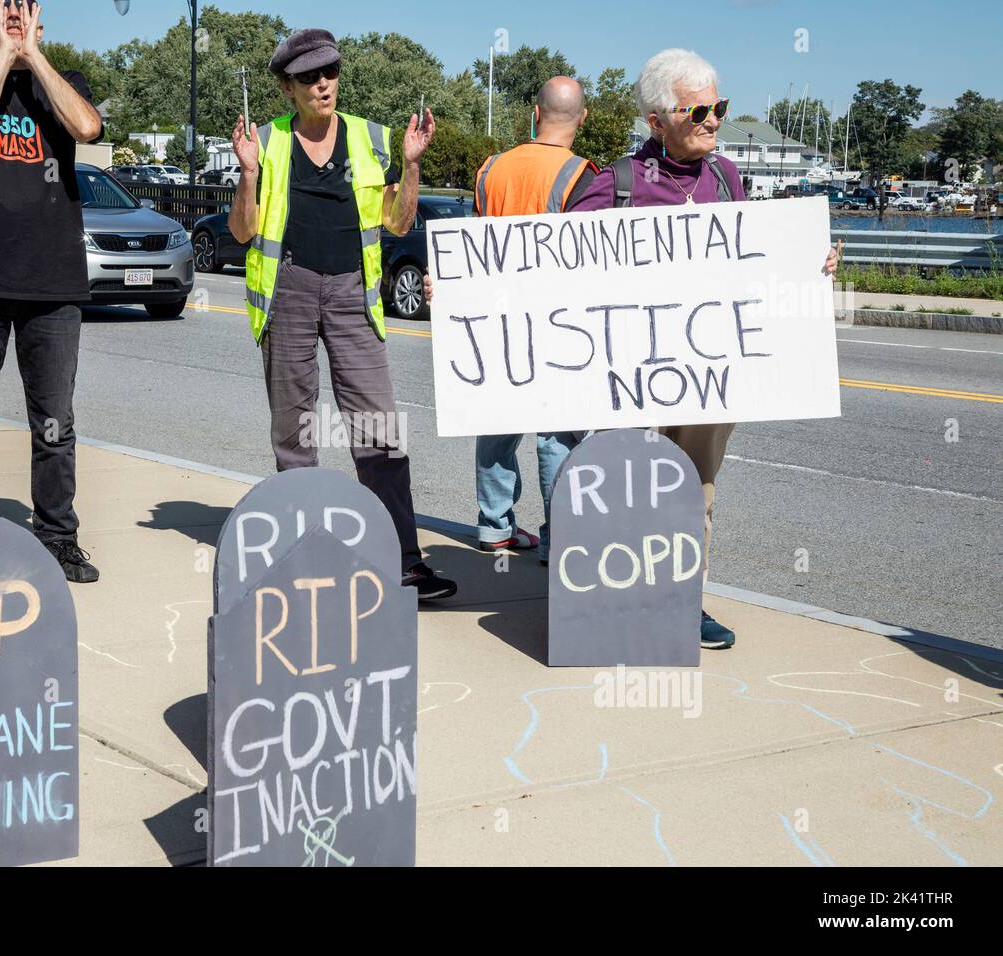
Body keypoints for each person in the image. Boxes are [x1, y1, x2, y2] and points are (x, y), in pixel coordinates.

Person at [571, 48, 838, 649]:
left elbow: (755, 259)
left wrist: (808, 262)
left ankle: (683, 604)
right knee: (631, 491)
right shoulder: (613, 186)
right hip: (632, 375)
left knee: (696, 493)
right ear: (657, 120)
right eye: (700, 110)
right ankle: (618, 607)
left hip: (710, 371)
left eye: (720, 106)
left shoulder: (726, 179)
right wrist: (458, 285)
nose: (715, 120)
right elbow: (540, 269)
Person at [227, 28, 457, 601]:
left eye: (329, 71)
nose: (322, 83)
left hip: (356, 293)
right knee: (295, 432)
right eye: (308, 77)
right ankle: (302, 553)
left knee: (378, 428)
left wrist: (410, 165)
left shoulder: (372, 139)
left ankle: (403, 558)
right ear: (288, 88)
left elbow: (400, 225)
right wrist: (249, 173)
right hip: (289, 290)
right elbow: (243, 231)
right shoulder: (267, 141)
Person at [0, 0, 104, 583]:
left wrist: (31, 53)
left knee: (55, 421)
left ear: (40, 24)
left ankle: (57, 536)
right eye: (2, 13)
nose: (15, 17)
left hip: (51, 279)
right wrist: (5, 56)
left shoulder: (66, 84)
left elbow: (86, 127)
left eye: (25, 11)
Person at [471, 76, 598, 566]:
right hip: (555, 323)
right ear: (582, 117)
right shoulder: (583, 175)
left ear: (534, 112)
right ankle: (558, 538)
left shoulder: (491, 169)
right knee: (557, 434)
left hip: (498, 319)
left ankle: (494, 527)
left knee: (498, 426)